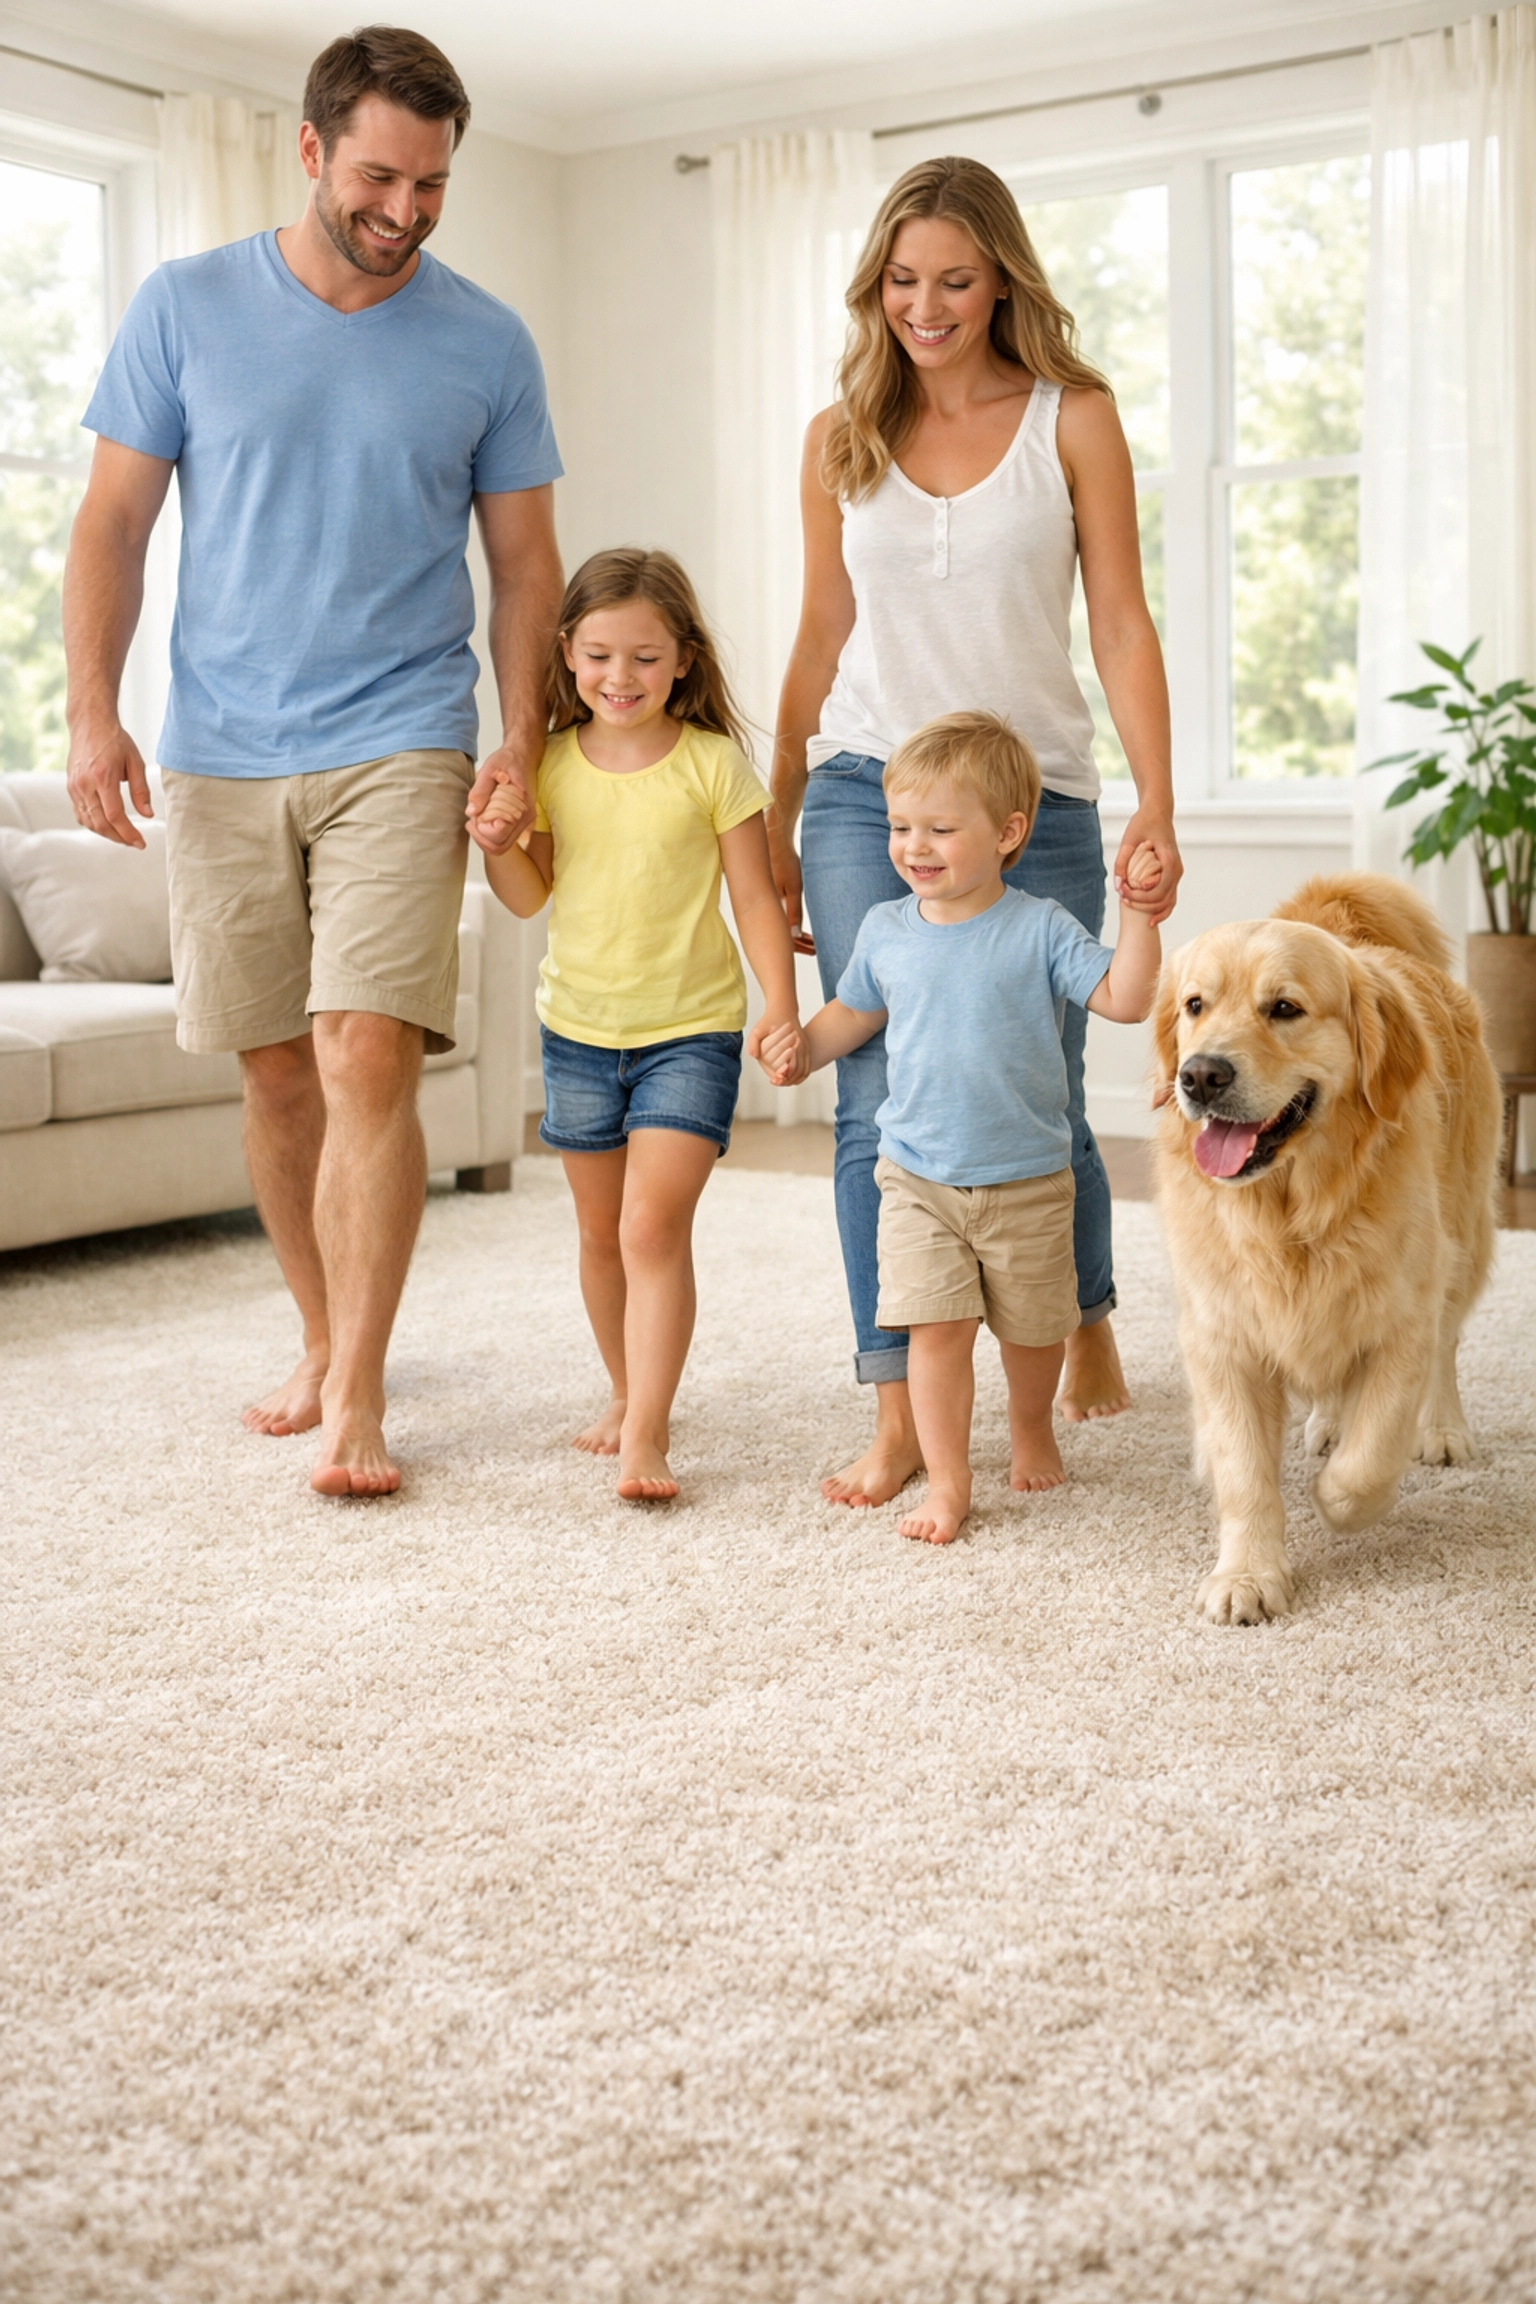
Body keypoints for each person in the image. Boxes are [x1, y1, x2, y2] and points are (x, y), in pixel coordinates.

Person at [63, 26, 564, 1498]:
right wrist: (96, 711)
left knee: (364, 1050)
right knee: (277, 1070)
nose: (404, 211)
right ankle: (322, 1330)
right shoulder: (186, 306)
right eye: (377, 177)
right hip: (220, 748)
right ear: (309, 148)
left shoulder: (488, 341)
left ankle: (358, 1395)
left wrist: (520, 734)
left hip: (403, 734)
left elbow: (525, 567)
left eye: (432, 185)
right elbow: (110, 526)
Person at [767, 153, 1182, 1513]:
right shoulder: (842, 433)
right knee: (875, 1110)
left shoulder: (1075, 418)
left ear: (1002, 275)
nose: (926, 307)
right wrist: (777, 805)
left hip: (1037, 796)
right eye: (901, 282)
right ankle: (898, 1405)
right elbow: (823, 632)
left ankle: (1084, 1303)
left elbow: (1119, 620)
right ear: (873, 291)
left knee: (1037, 1097)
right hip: (868, 788)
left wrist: (1153, 804)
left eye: (953, 279)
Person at [760, 713, 1161, 1546]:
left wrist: (1142, 918)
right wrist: (803, 1050)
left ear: (1008, 833)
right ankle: (947, 1482)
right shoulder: (885, 930)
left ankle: (1030, 1430)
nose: (915, 846)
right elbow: (853, 1014)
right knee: (934, 1334)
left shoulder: (1042, 926)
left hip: (1027, 1177)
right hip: (917, 1179)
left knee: (1031, 1333)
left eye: (941, 829)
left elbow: (1124, 999)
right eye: (902, 827)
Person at [474, 549, 805, 1502]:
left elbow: (753, 899)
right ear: (568, 655)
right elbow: (529, 896)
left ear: (685, 661)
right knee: (598, 1232)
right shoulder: (544, 765)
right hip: (578, 1032)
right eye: (601, 657)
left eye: (647, 659)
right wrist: (497, 846)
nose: (621, 679)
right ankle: (627, 1393)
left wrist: (780, 1008)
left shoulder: (713, 765)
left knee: (651, 1227)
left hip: (690, 1033)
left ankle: (647, 1436)